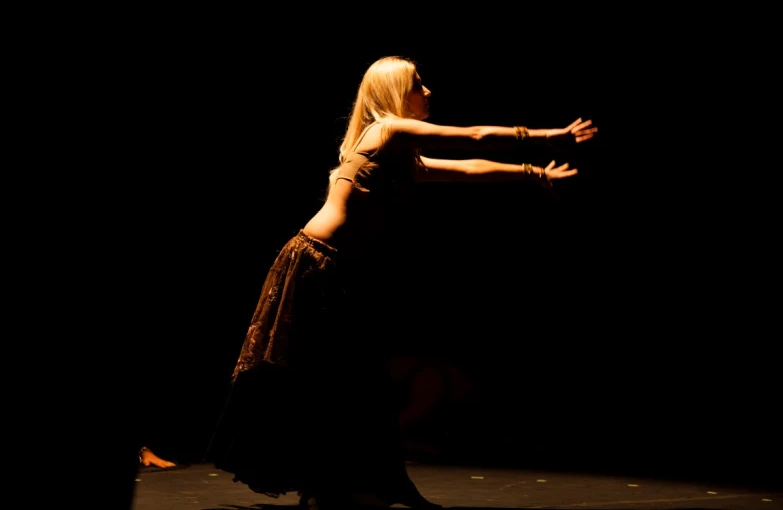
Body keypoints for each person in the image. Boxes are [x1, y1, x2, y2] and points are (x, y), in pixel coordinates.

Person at [205, 55, 597, 510]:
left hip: (335, 268)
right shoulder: (387, 129)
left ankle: (362, 482)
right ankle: (343, 483)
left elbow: (467, 168)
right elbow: (471, 136)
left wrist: (533, 173)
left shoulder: (398, 153)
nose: (427, 91)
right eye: (418, 83)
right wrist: (556, 135)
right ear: (395, 94)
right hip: (315, 263)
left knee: (355, 380)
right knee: (335, 378)